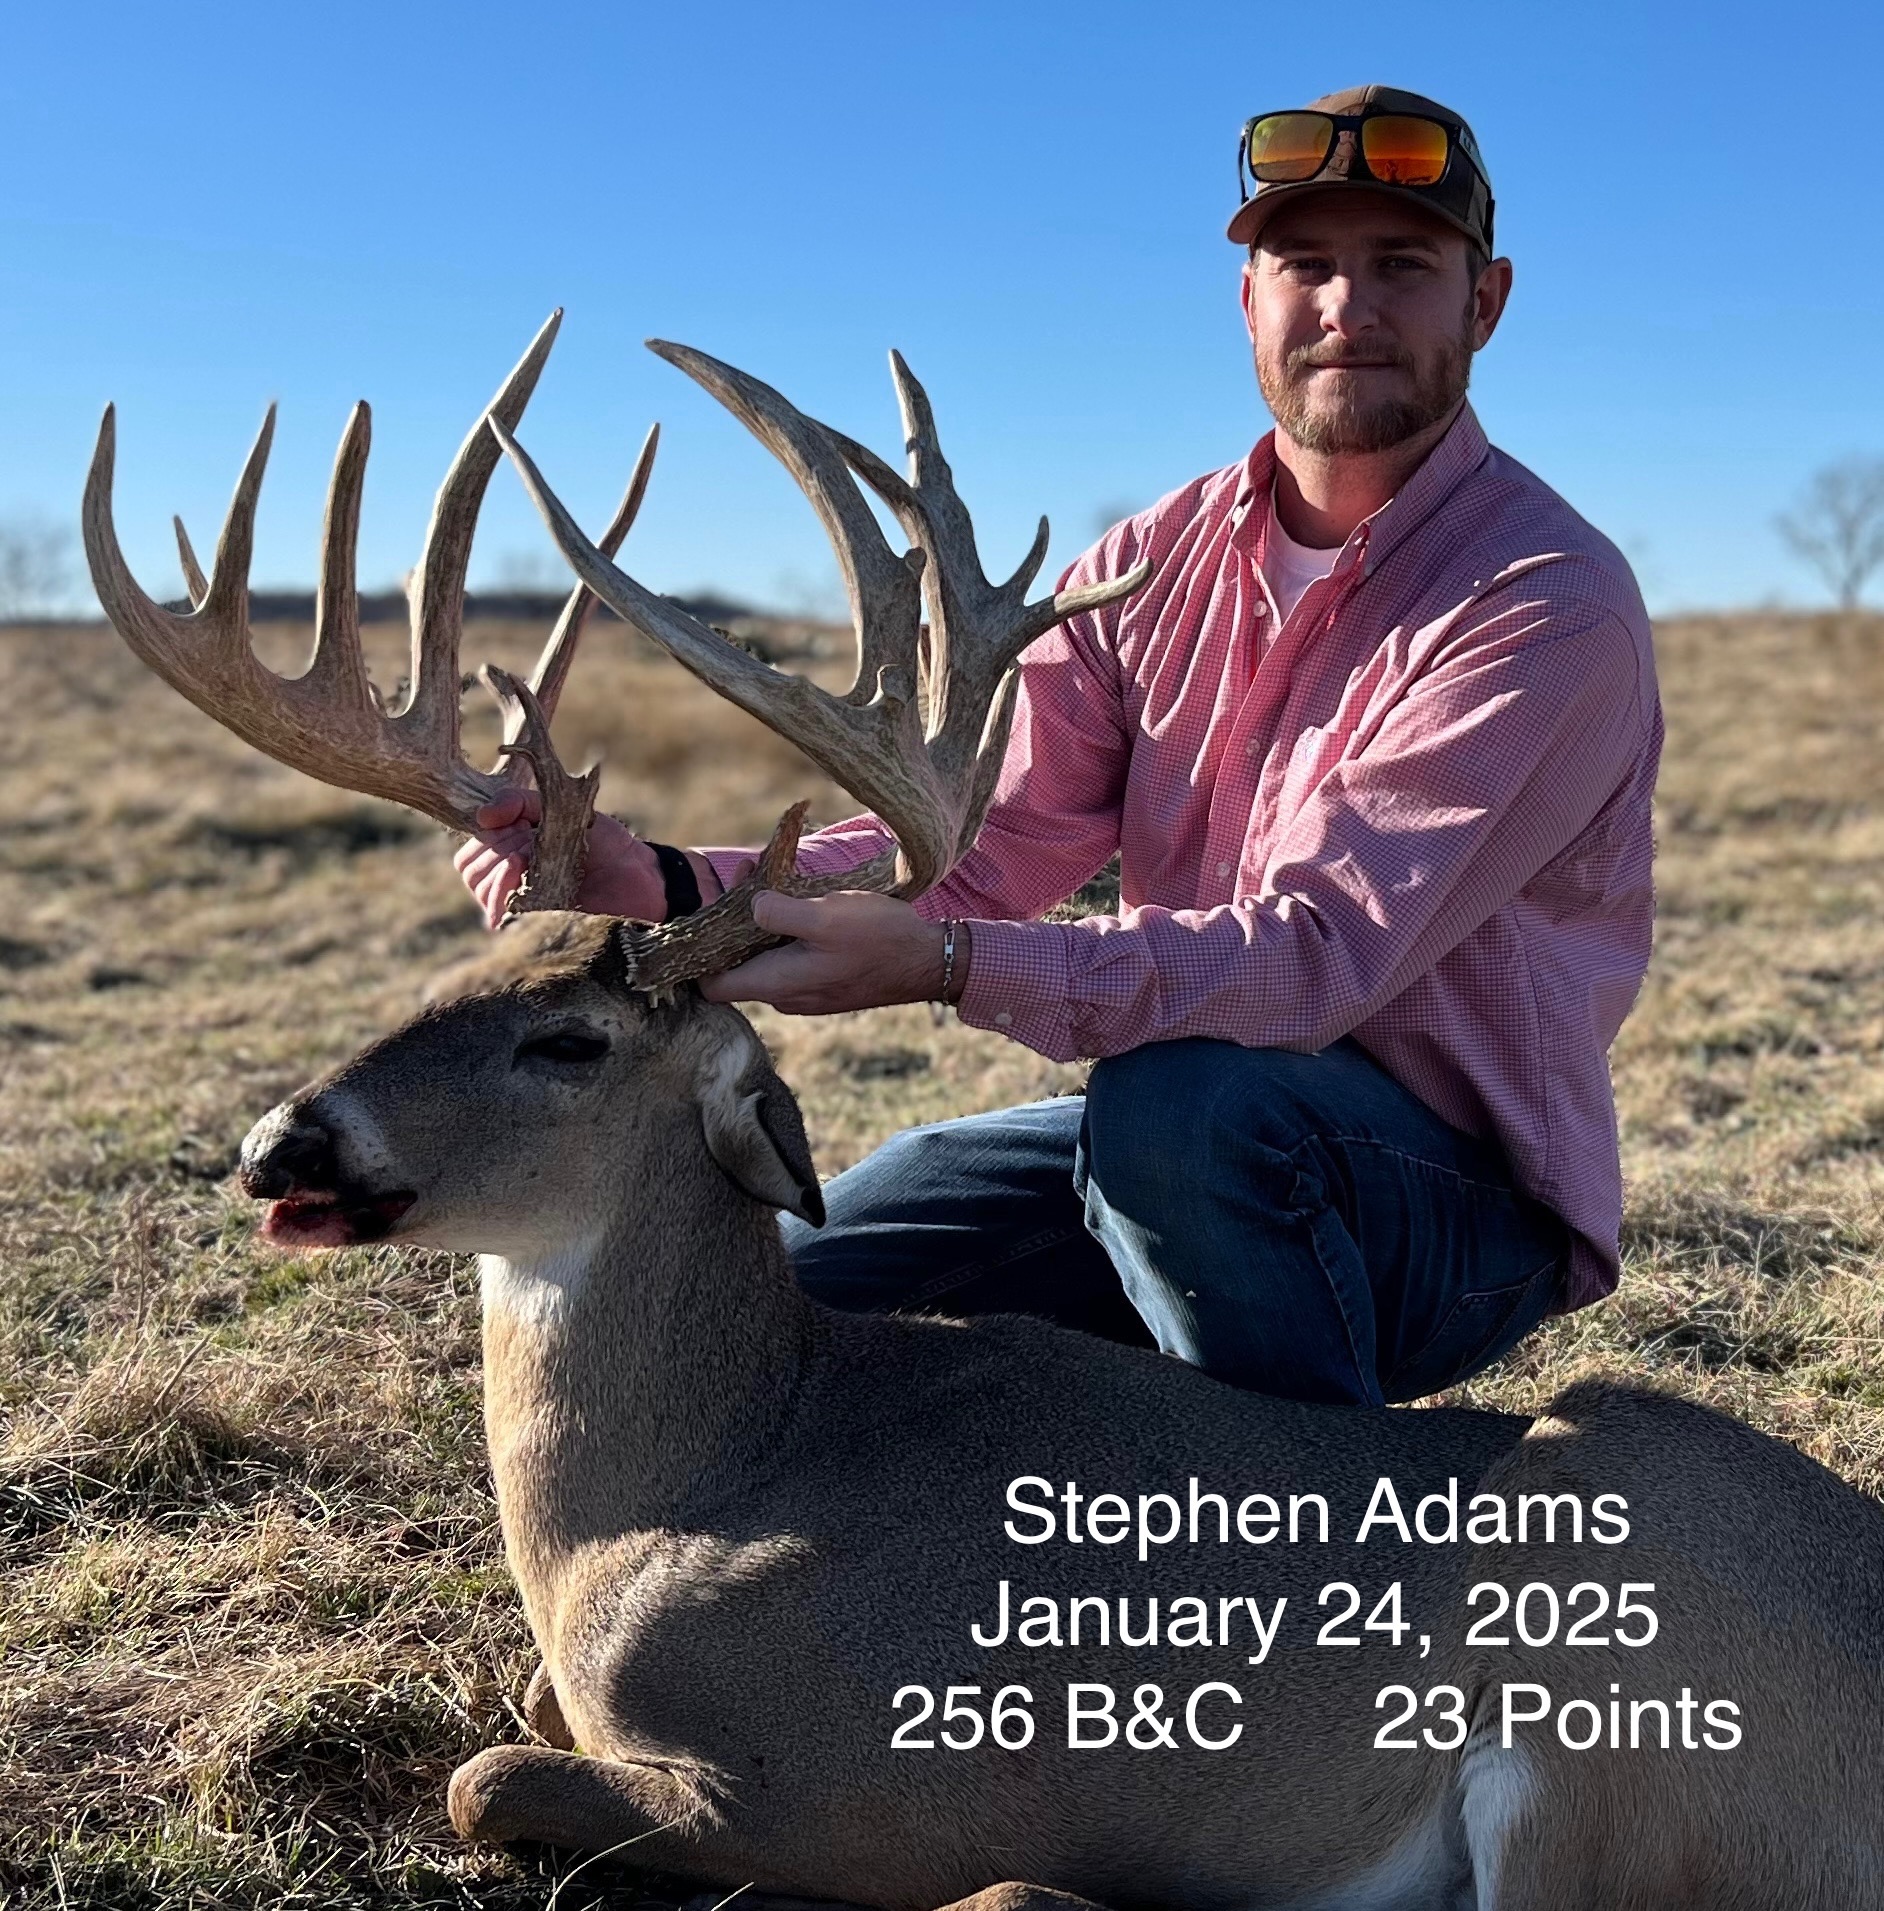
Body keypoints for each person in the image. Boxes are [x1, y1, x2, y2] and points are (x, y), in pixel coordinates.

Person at [456, 85, 1662, 1409]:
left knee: (1182, 1116)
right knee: (810, 1278)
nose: (1346, 308)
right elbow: (980, 842)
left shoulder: (1544, 604)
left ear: (1483, 303)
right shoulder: (1153, 561)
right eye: (1305, 265)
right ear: (1248, 301)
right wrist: (670, 887)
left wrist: (951, 966)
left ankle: (1318, 1546)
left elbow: (1317, 958)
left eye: (1403, 267)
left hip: (1448, 1198)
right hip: (1186, 1147)